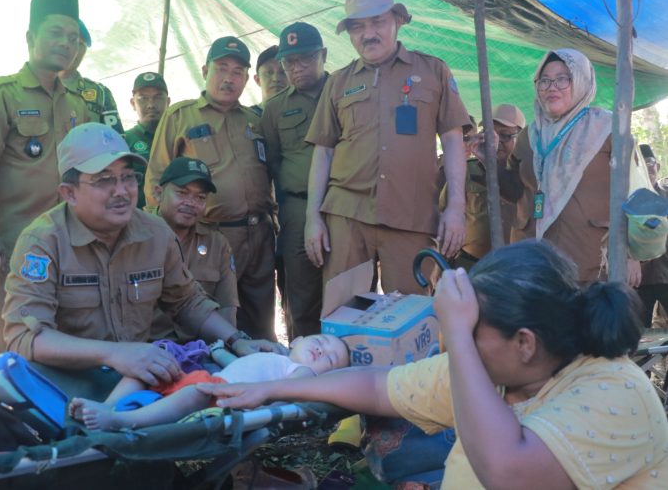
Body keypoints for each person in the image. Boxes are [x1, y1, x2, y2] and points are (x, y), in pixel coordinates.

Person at [200, 240, 667, 488]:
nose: (451, 344)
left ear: (525, 342)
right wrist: (276, 388)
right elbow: (379, 387)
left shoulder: (615, 391)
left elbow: (508, 473)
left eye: (467, 331)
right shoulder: (506, 372)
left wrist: (459, 337)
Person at [3, 123, 280, 387]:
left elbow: (187, 302)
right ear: (69, 193)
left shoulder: (155, 233)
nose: (121, 191)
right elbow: (26, 336)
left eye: (128, 178)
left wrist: (238, 341)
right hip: (67, 383)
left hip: (137, 379)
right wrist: (113, 354)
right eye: (104, 180)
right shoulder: (42, 242)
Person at [304, 0, 470, 296]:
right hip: (347, 216)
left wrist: (456, 207)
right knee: (344, 313)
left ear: (398, 21)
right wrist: (313, 218)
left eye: (377, 22)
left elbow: (452, 139)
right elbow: (323, 151)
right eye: (357, 27)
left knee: (411, 319)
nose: (368, 34)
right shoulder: (339, 82)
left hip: (412, 214)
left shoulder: (433, 71)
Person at [0, 0, 89, 356]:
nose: (65, 44)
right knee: (1, 345)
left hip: (62, 246)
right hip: (9, 244)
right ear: (30, 38)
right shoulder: (0, 93)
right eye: (56, 33)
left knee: (52, 345)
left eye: (72, 38)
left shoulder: (76, 105)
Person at [145, 36, 277, 341]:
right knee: (205, 321)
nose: (229, 78)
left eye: (237, 72)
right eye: (221, 68)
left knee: (261, 322)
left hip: (258, 236)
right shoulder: (180, 115)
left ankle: (264, 382)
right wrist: (170, 237)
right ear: (205, 70)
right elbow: (156, 180)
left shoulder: (254, 121)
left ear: (247, 79)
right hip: (207, 238)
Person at [506, 48, 641, 286]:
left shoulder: (609, 130)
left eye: (562, 79)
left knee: (586, 321)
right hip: (532, 261)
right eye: (544, 80)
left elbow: (637, 193)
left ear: (581, 82)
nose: (551, 87)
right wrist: (487, 160)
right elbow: (514, 190)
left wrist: (632, 254)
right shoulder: (529, 135)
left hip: (588, 261)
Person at [70, 333, 349, 430]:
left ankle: (125, 422)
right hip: (211, 378)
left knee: (196, 393)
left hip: (222, 397)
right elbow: (237, 366)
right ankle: (107, 406)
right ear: (298, 340)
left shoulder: (300, 373)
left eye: (330, 359)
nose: (322, 351)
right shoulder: (279, 359)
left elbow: (293, 391)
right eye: (320, 342)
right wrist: (219, 352)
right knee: (147, 368)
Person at [260, 22, 328, 338]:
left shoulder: (345, 92)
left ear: (323, 56)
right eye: (289, 63)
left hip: (343, 206)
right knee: (302, 298)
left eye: (305, 59)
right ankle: (305, 369)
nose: (296, 69)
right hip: (297, 210)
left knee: (350, 292)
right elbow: (272, 162)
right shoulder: (274, 110)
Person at [151, 156, 238, 339]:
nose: (191, 203)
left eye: (200, 197)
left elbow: (227, 308)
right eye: (182, 193)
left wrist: (229, 345)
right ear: (158, 194)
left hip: (203, 351)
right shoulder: (138, 237)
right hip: (147, 350)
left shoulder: (217, 243)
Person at [441, 104, 526, 270]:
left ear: (520, 137)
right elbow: (445, 215)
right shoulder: (466, 171)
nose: (497, 142)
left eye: (505, 136)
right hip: (470, 265)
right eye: (491, 135)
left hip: (513, 269)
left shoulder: (527, 174)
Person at [59, 19, 124, 134]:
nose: (74, 50)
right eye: (71, 41)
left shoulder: (100, 94)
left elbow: (116, 144)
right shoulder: (25, 89)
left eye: (80, 44)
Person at [124, 72, 170, 210]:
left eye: (158, 98)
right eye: (143, 98)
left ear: (168, 102)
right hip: (136, 222)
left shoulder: (179, 137)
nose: (151, 105)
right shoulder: (123, 140)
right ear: (133, 103)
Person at [636, 143, 668, 328]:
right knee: (640, 331)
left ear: (658, 165)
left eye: (651, 162)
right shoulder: (629, 198)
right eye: (642, 163)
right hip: (641, 277)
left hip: (666, 272)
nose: (649, 167)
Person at [250, 45, 288, 116]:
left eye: (283, 72)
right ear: (257, 80)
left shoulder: (306, 113)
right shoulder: (246, 118)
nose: (276, 79)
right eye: (269, 73)